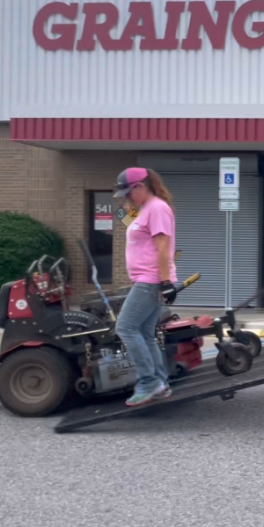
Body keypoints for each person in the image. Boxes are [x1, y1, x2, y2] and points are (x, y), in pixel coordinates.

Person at [112, 167, 179, 407]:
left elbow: (162, 247)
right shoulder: (145, 210)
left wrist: (164, 283)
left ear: (141, 186)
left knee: (126, 327)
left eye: (129, 193)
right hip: (148, 280)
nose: (127, 198)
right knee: (145, 333)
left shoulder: (157, 208)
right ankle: (159, 383)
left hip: (150, 280)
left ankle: (148, 383)